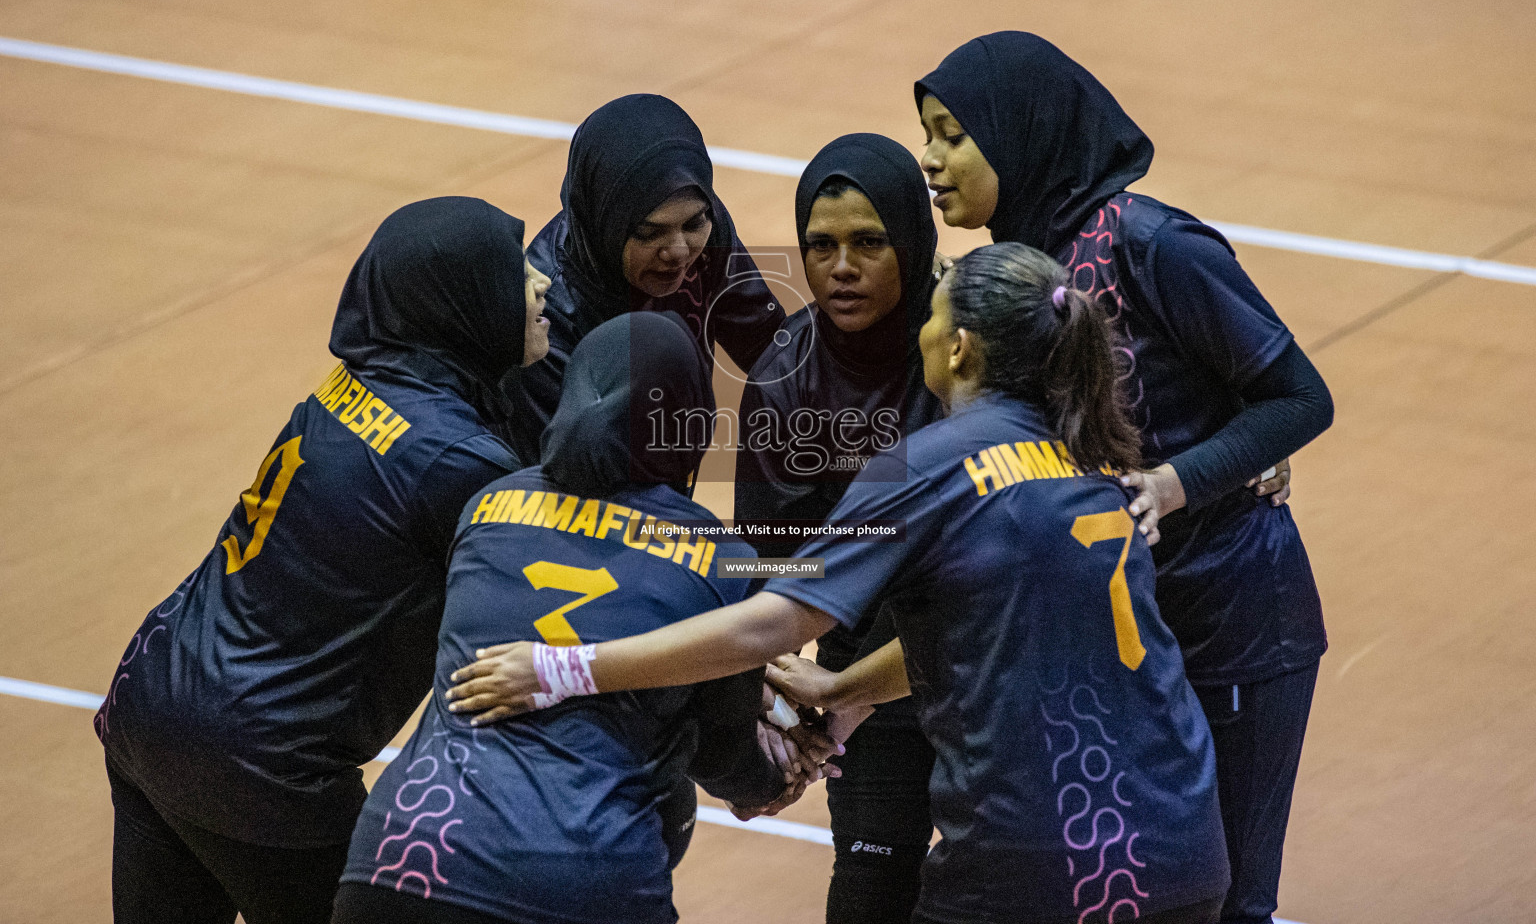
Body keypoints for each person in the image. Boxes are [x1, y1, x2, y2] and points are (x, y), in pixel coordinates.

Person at [446, 245, 1232, 924]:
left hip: (1037, 857)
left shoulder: (930, 462)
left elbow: (773, 623)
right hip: (1181, 844)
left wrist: (563, 668)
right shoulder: (1091, 463)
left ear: (957, 348)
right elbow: (982, 624)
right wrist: (843, 691)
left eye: (930, 314)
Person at [914, 31, 1334, 924]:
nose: (931, 159)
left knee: (1228, 902)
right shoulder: (1001, 282)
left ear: (1020, 132)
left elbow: (1298, 397)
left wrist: (1180, 480)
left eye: (952, 134)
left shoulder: (1154, 245)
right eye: (927, 134)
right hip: (1120, 638)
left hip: (1234, 625)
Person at [94, 197, 550, 924]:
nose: (538, 283)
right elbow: (559, 605)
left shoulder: (350, 382)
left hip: (149, 700)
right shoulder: (458, 461)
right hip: (264, 764)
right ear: (456, 301)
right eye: (512, 268)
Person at [334, 311, 798, 924]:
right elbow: (720, 752)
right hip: (577, 878)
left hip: (401, 854)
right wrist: (775, 777)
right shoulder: (727, 563)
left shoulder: (486, 506)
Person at [735, 132, 943, 923]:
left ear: (914, 241)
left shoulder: (973, 351)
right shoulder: (784, 382)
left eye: (869, 243)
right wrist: (777, 724)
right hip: (864, 678)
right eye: (820, 247)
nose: (842, 268)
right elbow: (776, 572)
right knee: (870, 890)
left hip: (991, 665)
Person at [502, 93, 787, 465]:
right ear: (605, 225)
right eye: (649, 233)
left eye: (694, 224)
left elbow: (771, 349)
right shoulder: (545, 320)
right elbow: (560, 480)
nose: (679, 252)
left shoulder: (704, 228)